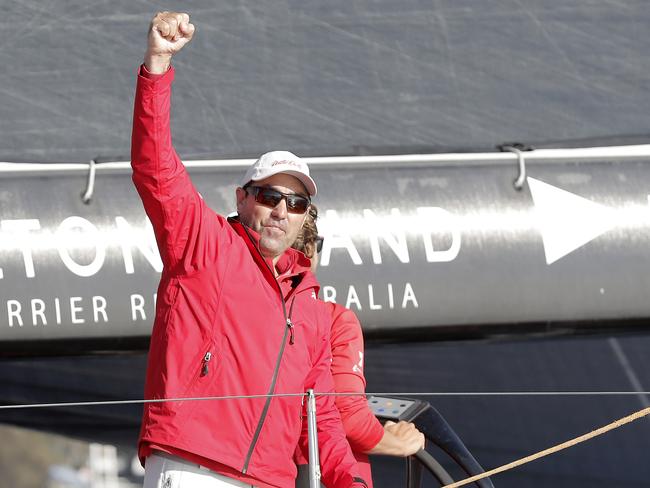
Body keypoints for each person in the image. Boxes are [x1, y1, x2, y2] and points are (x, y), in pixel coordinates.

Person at [132, 11, 368, 488]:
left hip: (268, 480)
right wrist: (156, 66)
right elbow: (155, 168)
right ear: (242, 199)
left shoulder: (313, 310)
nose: (282, 210)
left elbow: (321, 422)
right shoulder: (205, 243)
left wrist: (354, 483)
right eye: (269, 196)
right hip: (191, 465)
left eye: (296, 201)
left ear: (305, 215)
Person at [292, 206, 425, 488]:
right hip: (332, 475)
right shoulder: (335, 319)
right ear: (311, 251)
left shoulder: (246, 316)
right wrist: (400, 444)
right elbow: (348, 417)